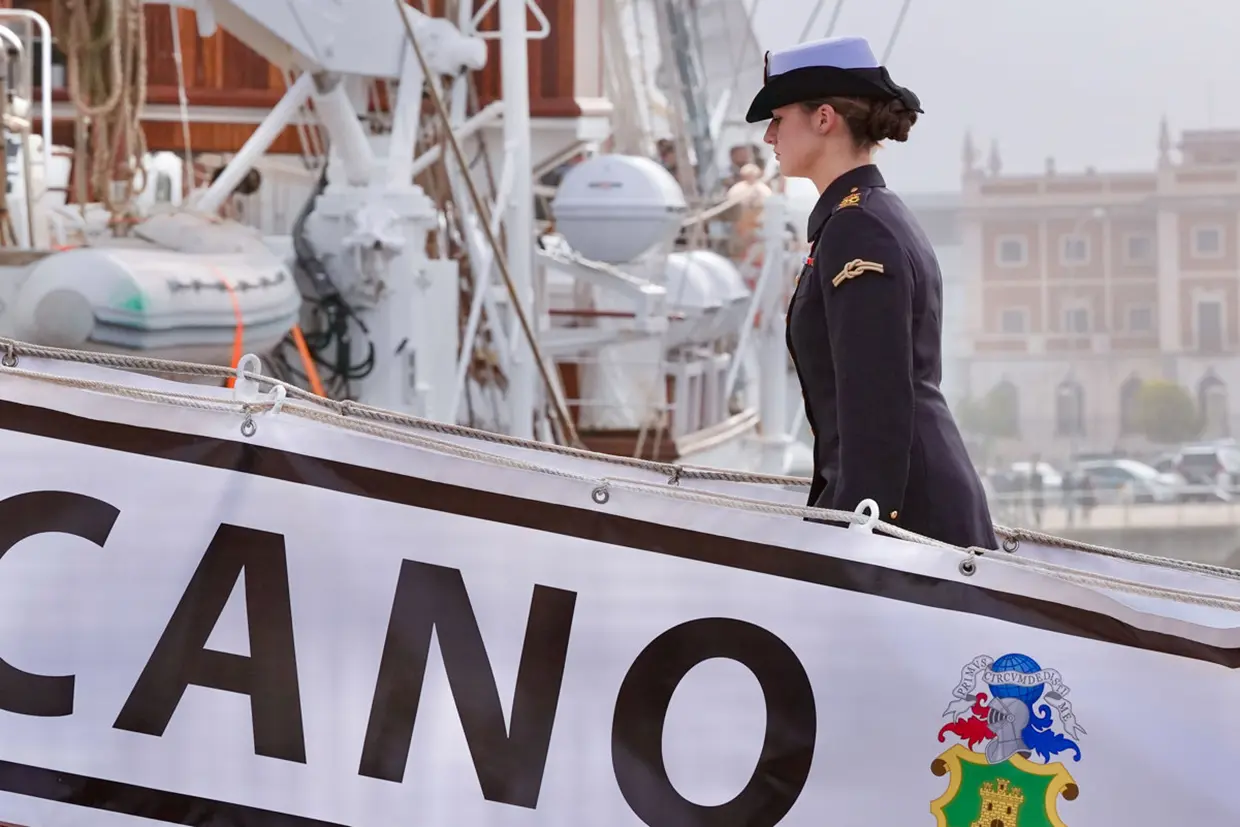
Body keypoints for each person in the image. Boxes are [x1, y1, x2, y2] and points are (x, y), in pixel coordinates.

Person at [746, 35, 997, 550]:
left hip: (907, 517)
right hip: (897, 502)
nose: (769, 135)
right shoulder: (862, 217)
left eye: (779, 117)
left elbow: (875, 401)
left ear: (823, 118)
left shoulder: (859, 229)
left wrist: (861, 532)